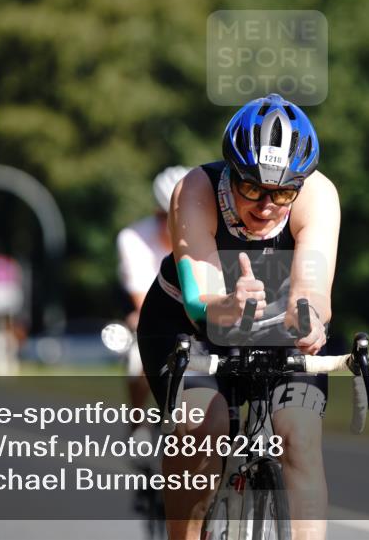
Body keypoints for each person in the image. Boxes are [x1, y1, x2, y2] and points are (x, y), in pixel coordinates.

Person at [137, 94, 340, 540]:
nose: (267, 205)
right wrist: (227, 307)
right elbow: (200, 298)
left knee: (299, 435)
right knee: (202, 425)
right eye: (252, 187)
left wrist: (306, 317)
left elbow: (312, 287)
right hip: (187, 323)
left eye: (283, 192)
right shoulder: (196, 189)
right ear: (230, 172)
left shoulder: (319, 195)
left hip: (277, 325)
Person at [118, 165, 190, 414]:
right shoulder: (133, 238)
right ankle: (137, 419)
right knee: (137, 358)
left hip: (197, 311)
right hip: (154, 310)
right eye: (166, 217)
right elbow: (143, 302)